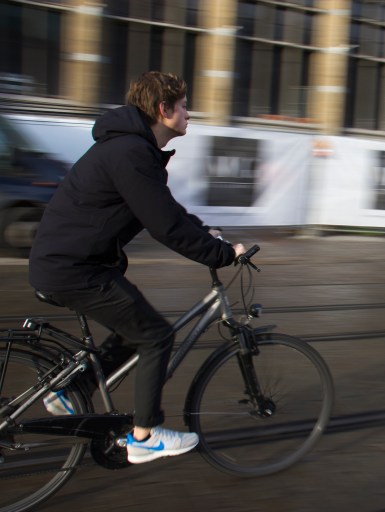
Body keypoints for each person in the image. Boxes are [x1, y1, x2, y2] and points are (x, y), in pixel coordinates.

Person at [28, 71, 246, 464]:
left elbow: (162, 208)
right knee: (156, 335)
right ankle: (145, 436)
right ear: (163, 109)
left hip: (73, 264)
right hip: (74, 269)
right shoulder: (131, 152)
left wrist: (203, 231)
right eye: (183, 107)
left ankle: (72, 390)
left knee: (134, 328)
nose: (188, 114)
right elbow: (164, 226)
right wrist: (221, 255)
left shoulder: (130, 149)